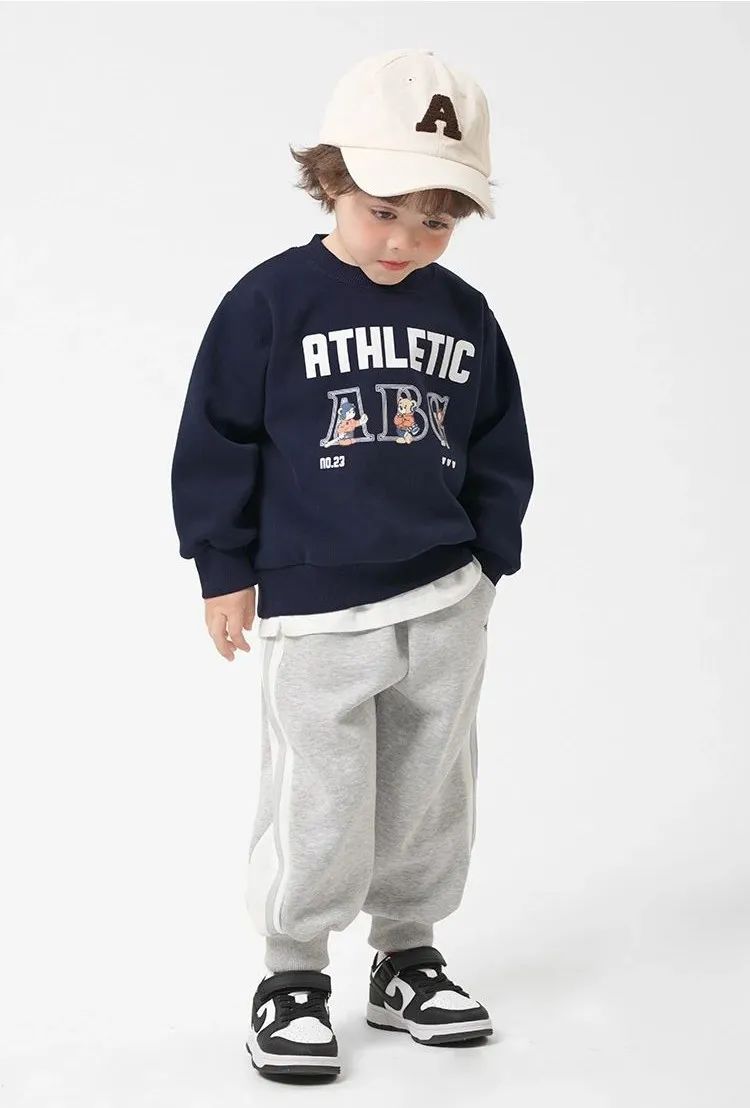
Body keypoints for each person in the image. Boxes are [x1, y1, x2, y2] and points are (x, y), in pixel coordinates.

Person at [170, 47, 534, 1080]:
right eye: (385, 211)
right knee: (320, 795)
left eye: (438, 220)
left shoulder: (463, 314)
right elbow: (218, 438)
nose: (407, 240)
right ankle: (292, 973)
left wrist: (490, 558)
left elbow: (499, 439)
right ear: (331, 179)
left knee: (430, 786)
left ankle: (406, 955)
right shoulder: (271, 302)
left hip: (444, 592)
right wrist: (225, 567)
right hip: (318, 600)